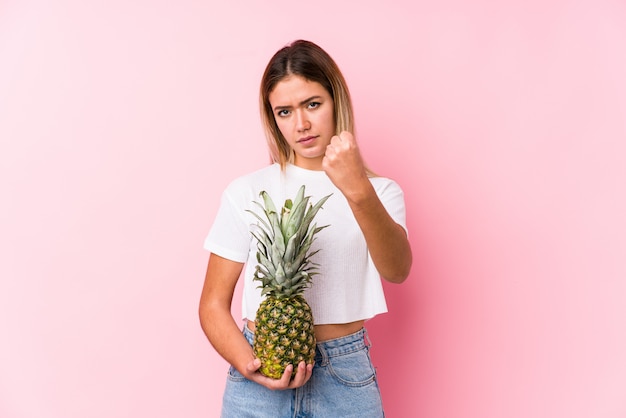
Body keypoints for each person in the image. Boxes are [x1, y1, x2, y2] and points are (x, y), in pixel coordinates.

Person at [199, 39, 412, 417]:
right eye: (284, 111)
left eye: (313, 104)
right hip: (262, 367)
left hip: (345, 373)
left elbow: (397, 270)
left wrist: (357, 190)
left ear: (336, 101)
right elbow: (213, 304)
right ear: (273, 118)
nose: (301, 124)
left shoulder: (379, 192)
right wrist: (251, 366)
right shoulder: (247, 191)